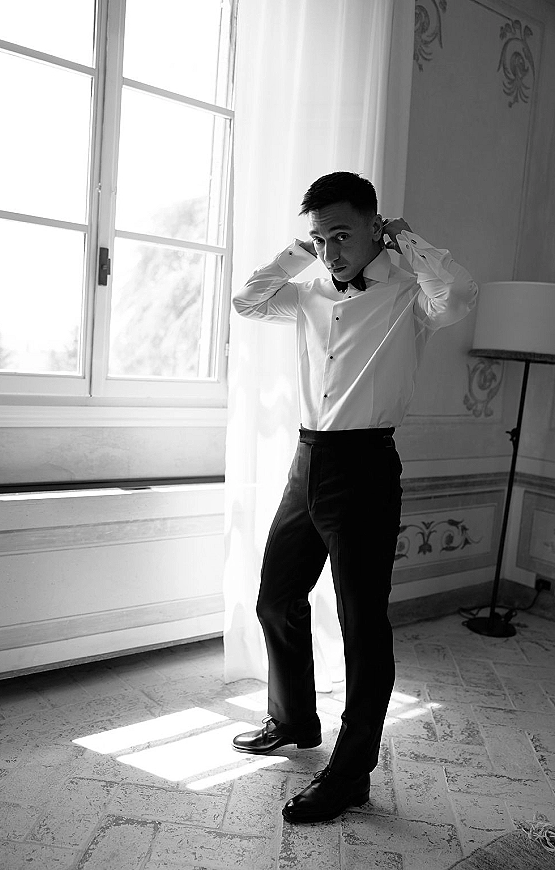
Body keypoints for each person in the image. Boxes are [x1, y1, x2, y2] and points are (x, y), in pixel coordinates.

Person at [231, 171, 478, 824]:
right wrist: (299, 251)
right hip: (307, 459)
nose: (332, 251)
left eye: (343, 234)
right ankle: (294, 720)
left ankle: (351, 774)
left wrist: (408, 242)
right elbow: (248, 302)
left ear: (375, 226)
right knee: (276, 597)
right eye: (321, 238)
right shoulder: (310, 288)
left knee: (361, 626)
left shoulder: (408, 292)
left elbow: (459, 295)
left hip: (365, 466)